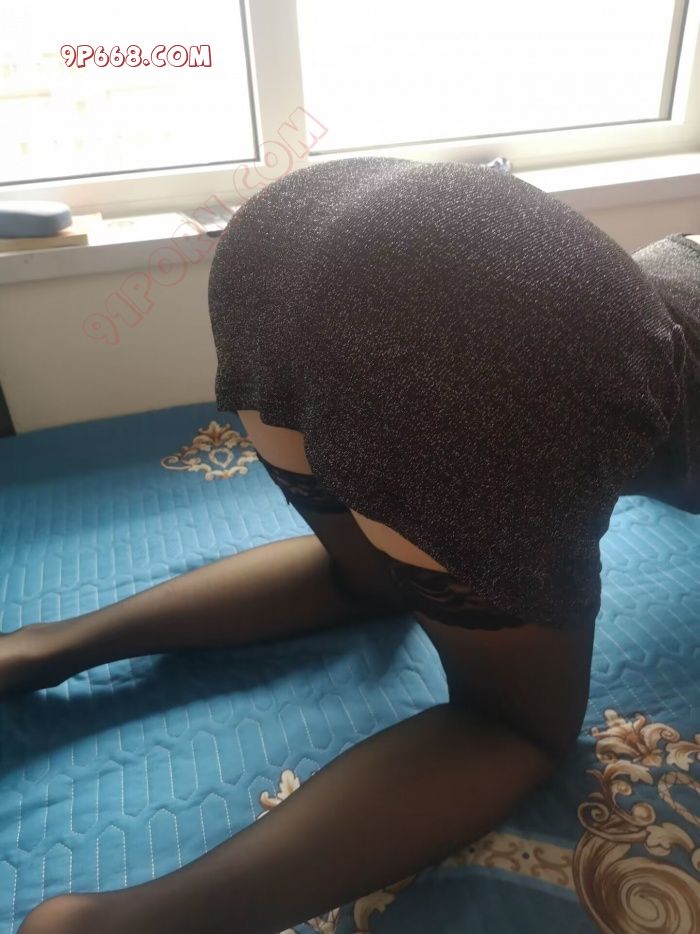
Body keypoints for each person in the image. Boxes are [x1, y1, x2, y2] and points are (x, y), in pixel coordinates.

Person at [9, 156, 700, 934]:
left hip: (291, 234)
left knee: (366, 577)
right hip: (491, 331)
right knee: (515, 725)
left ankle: (40, 648)